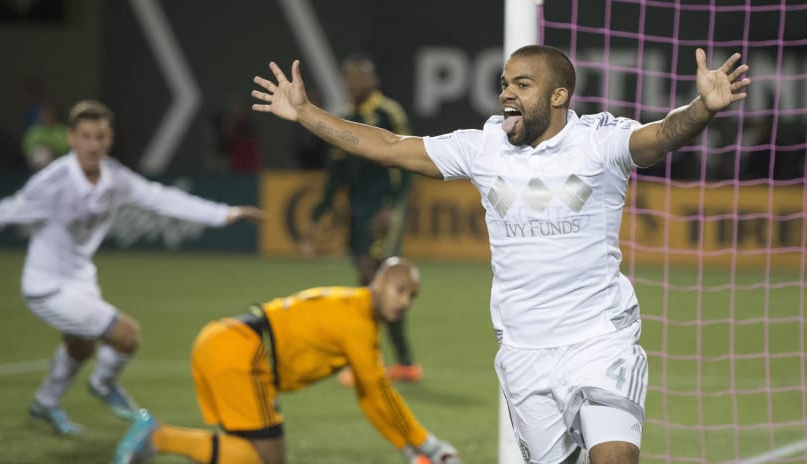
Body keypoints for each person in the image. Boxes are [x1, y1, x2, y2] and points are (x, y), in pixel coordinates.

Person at [250, 46, 751, 464]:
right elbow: (389, 146)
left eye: (522, 84)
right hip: (523, 353)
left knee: (614, 456)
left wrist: (701, 109)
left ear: (559, 95)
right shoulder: (484, 147)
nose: (507, 92)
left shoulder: (598, 142)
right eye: (504, 82)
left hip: (597, 339)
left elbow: (659, 137)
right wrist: (305, 113)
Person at [0, 100, 265, 435]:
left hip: (80, 279)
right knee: (126, 336)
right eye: (86, 136)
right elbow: (0, 213)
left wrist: (224, 213)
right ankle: (103, 385)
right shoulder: (54, 181)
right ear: (72, 138)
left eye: (100, 137)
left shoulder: (115, 178)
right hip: (46, 286)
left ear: (109, 139)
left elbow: (162, 198)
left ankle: (44, 403)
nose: (93, 145)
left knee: (80, 346)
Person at [112, 257, 461, 464]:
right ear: (379, 282)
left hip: (225, 341)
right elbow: (379, 392)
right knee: (267, 457)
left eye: (412, 296)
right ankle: (157, 438)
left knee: (247, 454)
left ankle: (156, 438)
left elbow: (369, 399)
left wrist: (408, 450)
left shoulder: (352, 307)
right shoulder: (358, 322)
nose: (405, 302)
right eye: (399, 290)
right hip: (242, 352)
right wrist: (428, 445)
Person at [300, 53, 421, 386]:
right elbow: (335, 175)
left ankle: (365, 360)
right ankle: (404, 363)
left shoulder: (388, 113)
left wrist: (393, 206)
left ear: (372, 81)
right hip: (358, 212)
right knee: (372, 282)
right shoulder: (344, 118)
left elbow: (408, 161)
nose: (355, 85)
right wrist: (318, 215)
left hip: (383, 210)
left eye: (360, 78)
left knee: (375, 279)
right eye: (350, 79)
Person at [22, 100, 70, 170]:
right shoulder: (34, 130)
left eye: (49, 113)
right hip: (36, 163)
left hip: (58, 161)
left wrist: (51, 148)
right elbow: (26, 148)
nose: (46, 116)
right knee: (41, 154)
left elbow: (66, 147)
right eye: (44, 113)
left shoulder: (62, 130)